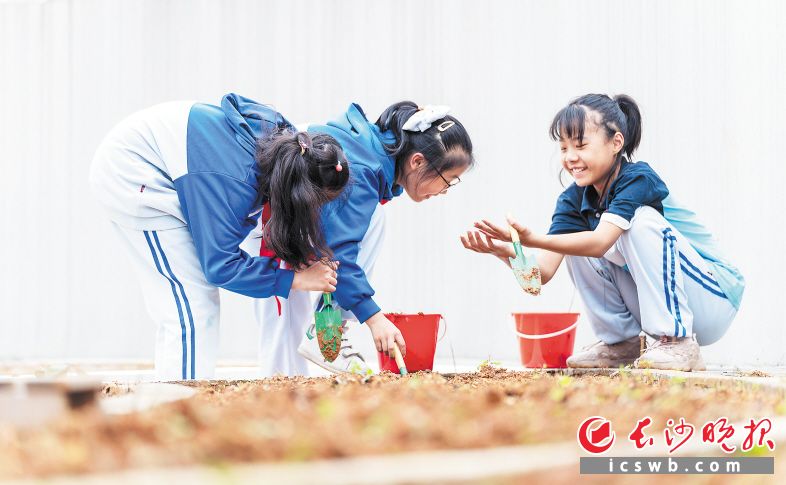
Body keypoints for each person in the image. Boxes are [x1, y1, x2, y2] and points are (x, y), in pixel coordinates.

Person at [462, 93, 744, 372]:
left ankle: (676, 341)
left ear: (616, 143)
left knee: (638, 222)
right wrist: (505, 250)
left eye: (581, 145)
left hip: (713, 299)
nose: (571, 157)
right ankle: (622, 343)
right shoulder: (573, 199)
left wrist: (532, 238)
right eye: (563, 148)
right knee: (572, 242)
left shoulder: (638, 178)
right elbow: (541, 274)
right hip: (662, 301)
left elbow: (600, 242)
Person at [90, 93, 349, 380]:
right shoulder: (234, 181)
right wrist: (295, 279)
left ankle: (171, 399)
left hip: (166, 162)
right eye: (315, 204)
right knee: (192, 311)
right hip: (135, 172)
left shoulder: (288, 150)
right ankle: (180, 408)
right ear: (298, 194)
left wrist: (302, 257)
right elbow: (220, 264)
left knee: (187, 311)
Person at [253, 102, 475, 375]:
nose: (445, 191)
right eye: (448, 179)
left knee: (290, 323)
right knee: (282, 328)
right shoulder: (360, 171)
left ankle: (326, 332)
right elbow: (340, 251)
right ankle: (283, 393)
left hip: (293, 215)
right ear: (417, 161)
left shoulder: (370, 159)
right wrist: (373, 317)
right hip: (270, 217)